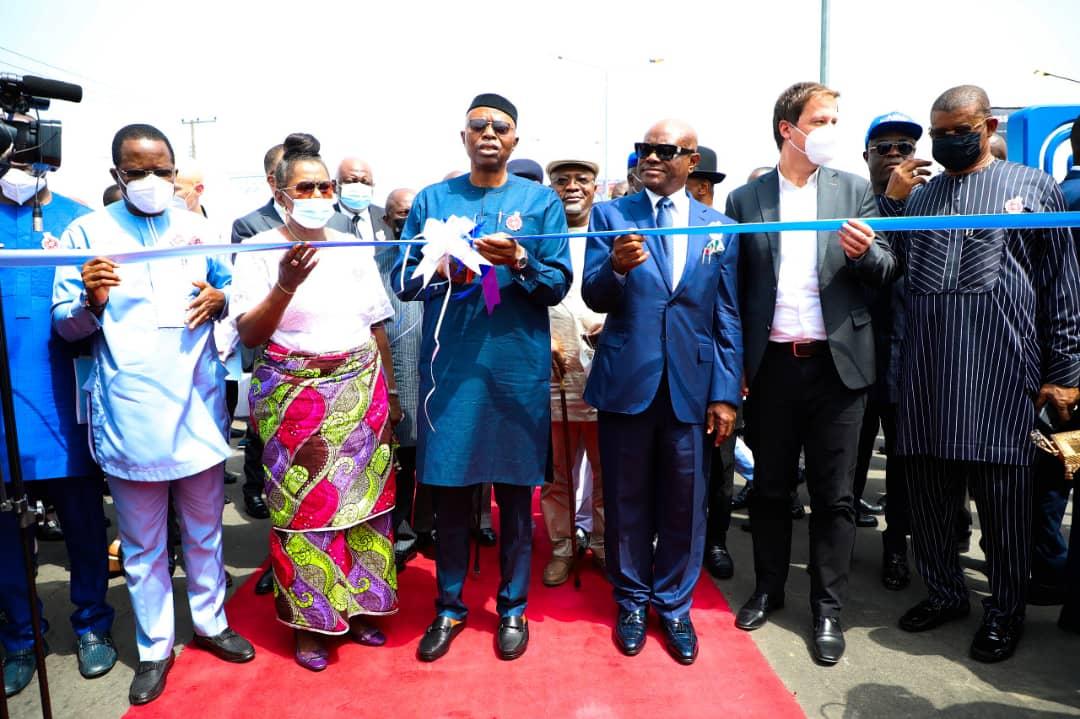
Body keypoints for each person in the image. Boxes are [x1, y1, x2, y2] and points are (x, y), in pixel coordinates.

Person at [51, 123, 254, 705]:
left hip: (195, 404)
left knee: (205, 532)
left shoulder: (198, 229)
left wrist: (221, 302)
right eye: (136, 171)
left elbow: (231, 293)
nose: (150, 181)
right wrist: (91, 301)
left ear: (173, 171)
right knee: (141, 546)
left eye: (160, 170)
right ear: (116, 174)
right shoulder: (86, 232)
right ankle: (155, 646)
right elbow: (65, 326)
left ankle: (212, 623)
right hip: (130, 411)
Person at [881, 85, 1080, 663]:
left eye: (958, 129)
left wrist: (1066, 369)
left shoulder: (1032, 187)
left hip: (1001, 375)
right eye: (938, 132)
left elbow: (1061, 283)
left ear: (987, 124)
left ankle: (1004, 611)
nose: (946, 140)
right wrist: (889, 209)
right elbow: (893, 266)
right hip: (928, 374)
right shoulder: (923, 197)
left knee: (1005, 507)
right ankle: (945, 593)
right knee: (932, 499)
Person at [394, 93, 571, 663]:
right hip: (453, 369)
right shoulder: (433, 198)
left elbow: (557, 284)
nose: (489, 133)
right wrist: (438, 265)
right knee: (448, 494)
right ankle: (448, 607)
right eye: (478, 126)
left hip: (514, 364)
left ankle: (513, 606)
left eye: (500, 126)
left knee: (517, 497)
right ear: (463, 137)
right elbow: (402, 280)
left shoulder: (540, 202)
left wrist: (518, 259)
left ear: (516, 139)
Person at [726, 82, 894, 666]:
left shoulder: (853, 190)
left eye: (835, 119)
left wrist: (861, 254)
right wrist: (736, 370)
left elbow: (886, 266)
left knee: (835, 496)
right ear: (788, 129)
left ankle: (827, 608)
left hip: (837, 367)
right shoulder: (747, 200)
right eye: (821, 120)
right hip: (771, 366)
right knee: (771, 489)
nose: (831, 129)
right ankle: (768, 588)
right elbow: (736, 288)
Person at [232, 132, 398, 672]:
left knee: (365, 506)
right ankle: (312, 622)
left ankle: (365, 605)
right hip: (294, 397)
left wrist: (389, 395)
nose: (320, 194)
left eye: (326, 185)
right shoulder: (259, 249)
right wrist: (283, 284)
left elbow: (376, 325)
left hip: (360, 390)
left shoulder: (351, 244)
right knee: (305, 512)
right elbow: (252, 335)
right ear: (280, 194)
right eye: (306, 186)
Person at [583, 119, 742, 665]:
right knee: (626, 500)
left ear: (691, 160)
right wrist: (617, 269)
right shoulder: (611, 215)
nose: (650, 157)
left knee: (685, 503)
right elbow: (595, 294)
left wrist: (725, 394)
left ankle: (674, 605)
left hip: (692, 390)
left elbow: (726, 316)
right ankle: (630, 600)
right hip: (628, 383)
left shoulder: (718, 226)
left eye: (664, 150)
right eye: (643, 149)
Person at [0, 160, 116, 697]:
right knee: (4, 537)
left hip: (62, 405)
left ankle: (92, 624)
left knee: (85, 527)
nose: (16, 165)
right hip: (3, 411)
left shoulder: (80, 224)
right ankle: (23, 636)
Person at [859, 112, 923, 590]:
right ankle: (836, 548)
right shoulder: (855, 203)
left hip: (913, 360)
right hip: (857, 361)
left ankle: (896, 547)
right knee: (847, 467)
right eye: (884, 147)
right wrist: (890, 203)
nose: (896, 153)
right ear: (867, 157)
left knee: (903, 468)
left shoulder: (933, 204)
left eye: (905, 145)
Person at [542, 157, 606, 586]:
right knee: (557, 475)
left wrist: (613, 326)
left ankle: (602, 545)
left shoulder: (612, 232)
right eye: (562, 181)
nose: (572, 187)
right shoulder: (539, 235)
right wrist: (538, 339)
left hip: (605, 371)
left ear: (595, 188)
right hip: (552, 372)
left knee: (607, 473)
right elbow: (502, 296)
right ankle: (563, 548)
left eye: (581, 180)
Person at [373, 187, 427, 571]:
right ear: (387, 220)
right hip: (398, 379)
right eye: (399, 215)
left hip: (446, 375)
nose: (406, 223)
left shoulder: (450, 255)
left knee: (442, 463)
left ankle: (435, 528)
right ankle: (401, 534)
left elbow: (490, 300)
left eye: (413, 215)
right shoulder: (375, 261)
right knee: (401, 460)